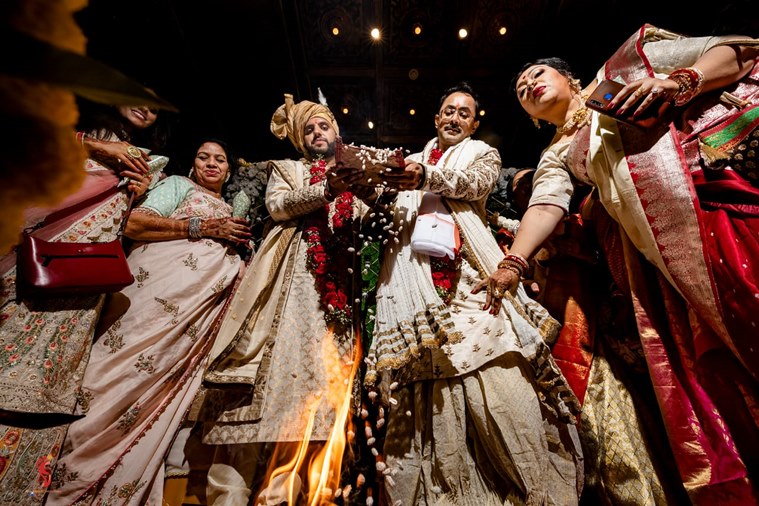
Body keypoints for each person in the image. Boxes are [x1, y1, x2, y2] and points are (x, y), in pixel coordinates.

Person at [510, 25, 759, 502]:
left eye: (536, 74)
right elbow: (545, 206)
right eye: (521, 91)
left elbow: (737, 52)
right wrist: (514, 262)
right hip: (659, 268)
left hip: (720, 207)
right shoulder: (557, 155)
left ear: (569, 77)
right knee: (717, 375)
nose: (528, 84)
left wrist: (678, 82)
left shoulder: (624, 67)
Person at [366, 82, 584, 505]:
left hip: (468, 275)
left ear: (474, 123)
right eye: (448, 111)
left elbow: (472, 184)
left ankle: (531, 490)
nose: (454, 118)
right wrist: (368, 188)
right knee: (422, 384)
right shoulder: (406, 162)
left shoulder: (483, 154)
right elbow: (386, 211)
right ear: (435, 118)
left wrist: (425, 177)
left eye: (464, 113)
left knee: (496, 368)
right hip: (410, 281)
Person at [43, 139, 247, 505]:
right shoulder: (178, 186)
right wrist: (202, 228)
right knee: (117, 376)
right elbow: (134, 223)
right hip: (154, 298)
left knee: (164, 402)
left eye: (220, 159)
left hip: (194, 317)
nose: (212, 163)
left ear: (229, 171)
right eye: (203, 156)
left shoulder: (231, 209)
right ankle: (72, 468)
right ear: (192, 164)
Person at [197, 94, 364, 505]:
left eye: (322, 125)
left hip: (337, 293)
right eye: (308, 129)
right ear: (298, 140)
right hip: (286, 282)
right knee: (258, 393)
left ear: (336, 132)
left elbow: (364, 218)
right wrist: (326, 188)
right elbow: (277, 205)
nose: (316, 133)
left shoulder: (355, 172)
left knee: (316, 406)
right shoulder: (287, 168)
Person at [0, 102, 167, 504]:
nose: (147, 105)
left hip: (78, 284)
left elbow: (119, 224)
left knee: (50, 390)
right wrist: (92, 147)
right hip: (27, 262)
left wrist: (134, 194)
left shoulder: (147, 160)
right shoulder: (72, 123)